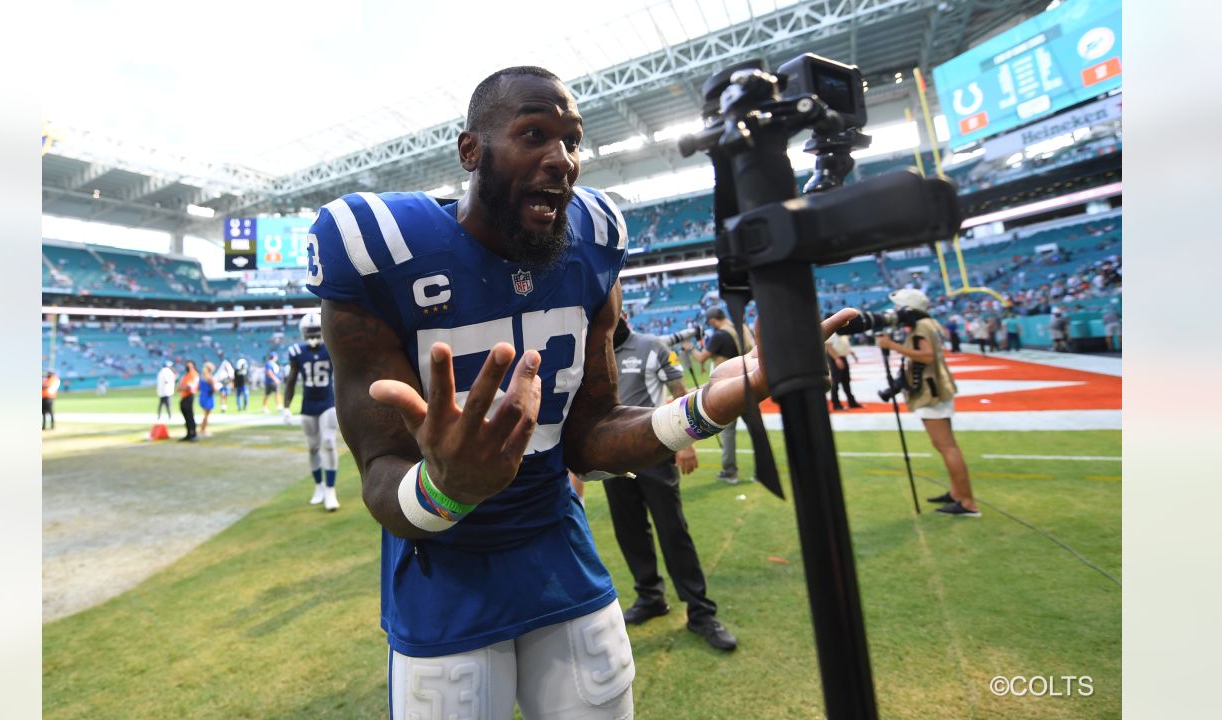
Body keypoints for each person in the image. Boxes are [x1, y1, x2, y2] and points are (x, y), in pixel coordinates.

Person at [306, 65, 853, 719]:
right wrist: (449, 486)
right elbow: (378, 476)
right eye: (534, 134)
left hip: (557, 555)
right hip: (441, 577)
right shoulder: (378, 247)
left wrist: (706, 406)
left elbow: (591, 438)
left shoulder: (593, 240)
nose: (561, 160)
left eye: (571, 140)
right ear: (471, 151)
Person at [603, 312, 737, 651]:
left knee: (672, 529)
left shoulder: (655, 346)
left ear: (622, 315)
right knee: (629, 531)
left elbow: (680, 392)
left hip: (654, 453)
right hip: (613, 459)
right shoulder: (593, 354)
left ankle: (700, 612)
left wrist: (686, 443)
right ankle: (650, 597)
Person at [875, 289, 979, 517]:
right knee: (944, 445)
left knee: (946, 446)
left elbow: (927, 356)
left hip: (931, 391)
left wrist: (892, 346)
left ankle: (967, 502)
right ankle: (957, 493)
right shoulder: (928, 323)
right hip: (936, 388)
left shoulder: (922, 327)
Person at [683, 306, 753, 484]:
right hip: (748, 381)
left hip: (729, 386)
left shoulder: (720, 335)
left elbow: (701, 358)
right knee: (756, 430)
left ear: (713, 320)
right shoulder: (741, 327)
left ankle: (730, 472)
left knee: (728, 431)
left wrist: (689, 348)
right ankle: (764, 471)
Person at [282, 311, 341, 511]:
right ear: (302, 333)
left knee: (329, 442)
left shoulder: (331, 350)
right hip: (308, 405)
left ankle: (331, 490)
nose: (313, 334)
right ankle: (319, 486)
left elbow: (343, 377)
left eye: (316, 330)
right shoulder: (297, 352)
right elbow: (291, 380)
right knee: (313, 447)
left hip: (327, 402)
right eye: (310, 331)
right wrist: (286, 406)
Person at [825, 331, 862, 411]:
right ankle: (836, 404)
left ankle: (852, 402)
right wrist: (837, 359)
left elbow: (844, 344)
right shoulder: (832, 332)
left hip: (842, 357)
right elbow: (829, 347)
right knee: (836, 382)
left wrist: (852, 353)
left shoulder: (842, 331)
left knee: (846, 381)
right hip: (835, 358)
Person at [177, 360, 199, 442]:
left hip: (189, 397)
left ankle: (193, 434)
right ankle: (188, 434)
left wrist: (183, 387)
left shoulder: (194, 374)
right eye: (187, 365)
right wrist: (183, 387)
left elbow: (189, 387)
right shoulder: (186, 376)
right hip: (184, 397)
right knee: (186, 417)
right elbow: (179, 387)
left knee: (190, 416)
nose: (187, 367)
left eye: (189, 366)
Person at [198, 361, 218, 437]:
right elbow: (214, 389)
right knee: (207, 415)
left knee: (205, 415)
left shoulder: (202, 377)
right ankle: (203, 430)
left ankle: (202, 430)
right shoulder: (210, 378)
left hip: (202, 396)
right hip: (208, 397)